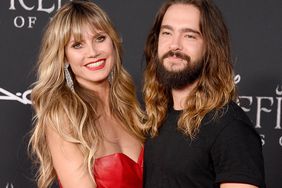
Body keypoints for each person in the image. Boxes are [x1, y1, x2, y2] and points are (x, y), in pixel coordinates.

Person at [142, 0, 265, 187]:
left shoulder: (230, 127)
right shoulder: (155, 118)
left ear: (210, 47)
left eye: (189, 36)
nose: (174, 45)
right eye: (167, 33)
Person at [29, 1, 145, 188]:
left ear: (113, 42)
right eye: (77, 45)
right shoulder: (64, 117)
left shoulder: (129, 107)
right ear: (64, 56)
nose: (93, 52)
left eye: (100, 38)